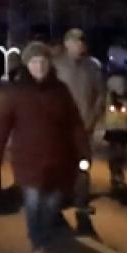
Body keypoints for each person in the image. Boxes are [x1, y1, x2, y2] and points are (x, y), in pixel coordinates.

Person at [0, 42, 91, 253]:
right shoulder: (15, 92)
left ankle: (44, 238)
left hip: (59, 159)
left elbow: (74, 124)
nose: (40, 66)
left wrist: (84, 152)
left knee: (52, 204)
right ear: (27, 65)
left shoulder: (60, 91)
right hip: (28, 161)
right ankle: (39, 246)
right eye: (35, 62)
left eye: (43, 62)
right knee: (34, 204)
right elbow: (0, 126)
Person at [53, 28, 105, 236]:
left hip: (84, 127)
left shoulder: (92, 68)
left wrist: (93, 118)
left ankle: (81, 207)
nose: (79, 45)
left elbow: (100, 94)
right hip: (60, 128)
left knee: (83, 167)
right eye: (75, 42)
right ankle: (56, 205)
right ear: (67, 43)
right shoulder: (56, 66)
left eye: (81, 42)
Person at [102, 89, 127, 200]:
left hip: (121, 130)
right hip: (114, 129)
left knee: (119, 154)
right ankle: (115, 176)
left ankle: (118, 175)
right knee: (114, 154)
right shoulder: (109, 98)